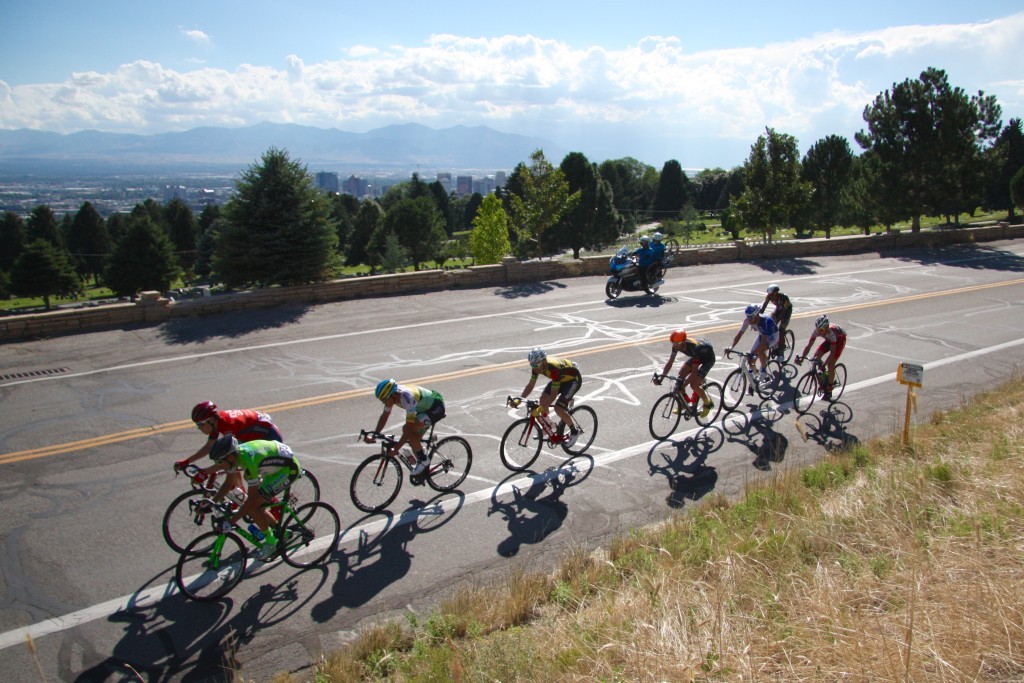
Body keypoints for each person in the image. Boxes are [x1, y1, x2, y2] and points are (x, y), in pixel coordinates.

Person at [200, 435, 301, 560]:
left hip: (288, 470)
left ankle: (271, 542)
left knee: (254, 507)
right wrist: (211, 502)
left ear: (230, 456)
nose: (218, 465)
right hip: (273, 469)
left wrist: (231, 522)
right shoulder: (234, 458)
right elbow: (228, 484)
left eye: (220, 461)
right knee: (257, 506)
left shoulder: (249, 460)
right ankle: (282, 533)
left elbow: (250, 501)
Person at [365, 379, 446, 478]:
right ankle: (422, 455)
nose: (383, 402)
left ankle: (424, 460)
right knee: (413, 438)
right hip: (423, 409)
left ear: (393, 395)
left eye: (384, 399)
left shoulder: (407, 398)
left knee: (409, 431)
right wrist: (375, 435)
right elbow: (385, 415)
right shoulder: (393, 396)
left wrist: (396, 448)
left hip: (436, 407)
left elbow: (408, 429)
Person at [174, 401, 283, 472]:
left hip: (268, 436)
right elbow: (209, 446)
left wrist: (205, 472)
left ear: (211, 420)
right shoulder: (216, 423)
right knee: (230, 462)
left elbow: (231, 458)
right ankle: (238, 493)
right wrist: (187, 461)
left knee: (235, 461)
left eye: (200, 424)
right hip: (251, 434)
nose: (199, 428)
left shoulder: (228, 426)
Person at [516, 347, 582, 446]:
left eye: (536, 365)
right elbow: (530, 385)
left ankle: (574, 431)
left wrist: (541, 409)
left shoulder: (554, 369)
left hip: (573, 381)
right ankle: (549, 426)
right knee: (542, 400)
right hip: (560, 379)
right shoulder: (537, 367)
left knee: (558, 408)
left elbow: (553, 396)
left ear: (544, 362)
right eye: (532, 365)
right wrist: (520, 400)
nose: (534, 368)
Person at [653, 329, 716, 417]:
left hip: (708, 359)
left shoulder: (694, 348)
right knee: (681, 374)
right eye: (673, 343)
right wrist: (662, 378)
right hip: (696, 357)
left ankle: (707, 403)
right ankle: (685, 402)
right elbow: (670, 363)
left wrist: (684, 385)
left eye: (676, 343)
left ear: (683, 343)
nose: (674, 345)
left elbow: (694, 372)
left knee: (694, 385)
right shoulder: (676, 345)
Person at [797, 314, 847, 399]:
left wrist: (825, 364)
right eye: (818, 329)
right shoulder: (817, 331)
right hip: (829, 340)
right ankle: (825, 377)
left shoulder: (831, 334)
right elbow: (809, 346)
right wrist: (802, 357)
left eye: (821, 330)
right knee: (816, 356)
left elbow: (832, 354)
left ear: (826, 328)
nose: (819, 332)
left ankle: (829, 388)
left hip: (839, 339)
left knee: (830, 365)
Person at [727, 303, 779, 382]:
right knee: (751, 361)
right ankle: (757, 377)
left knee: (760, 351)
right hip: (762, 335)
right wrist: (731, 347)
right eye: (748, 317)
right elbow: (739, 334)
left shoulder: (765, 321)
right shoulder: (748, 320)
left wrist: (753, 354)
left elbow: (762, 344)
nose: (749, 320)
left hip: (773, 336)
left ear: (757, 315)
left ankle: (764, 371)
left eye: (751, 317)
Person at [760, 284, 793, 359]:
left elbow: (783, 312)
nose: (771, 296)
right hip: (779, 309)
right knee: (769, 325)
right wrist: (759, 316)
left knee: (781, 330)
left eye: (772, 294)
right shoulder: (769, 296)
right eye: (769, 295)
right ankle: (774, 343)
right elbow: (764, 307)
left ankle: (781, 353)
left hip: (786, 312)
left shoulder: (784, 298)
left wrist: (777, 321)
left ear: (776, 293)